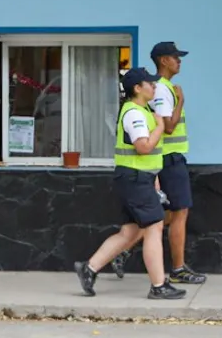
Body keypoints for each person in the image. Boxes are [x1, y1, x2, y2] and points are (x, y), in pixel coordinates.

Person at [74, 67, 187, 300]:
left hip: (138, 178)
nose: (155, 87)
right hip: (135, 179)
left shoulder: (142, 110)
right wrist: (159, 127)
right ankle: (158, 286)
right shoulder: (135, 113)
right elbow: (143, 147)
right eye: (151, 84)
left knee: (130, 232)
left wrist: (155, 180)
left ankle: (89, 268)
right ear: (138, 88)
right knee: (155, 226)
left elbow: (148, 154)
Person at [111, 42, 206, 285]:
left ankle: (122, 251)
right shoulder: (164, 90)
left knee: (159, 216)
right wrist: (181, 100)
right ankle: (178, 268)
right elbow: (169, 125)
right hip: (169, 158)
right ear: (163, 60)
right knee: (179, 212)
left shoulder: (161, 89)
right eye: (176, 57)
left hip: (167, 158)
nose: (179, 61)